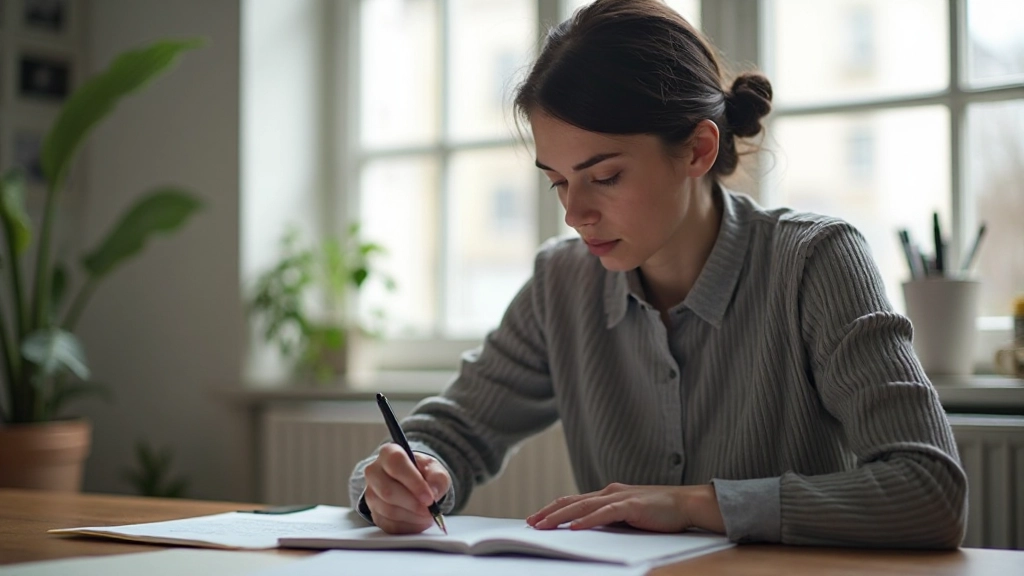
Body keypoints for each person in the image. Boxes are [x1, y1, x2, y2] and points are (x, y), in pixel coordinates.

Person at [349, 0, 967, 548]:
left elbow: (930, 489)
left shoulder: (814, 261)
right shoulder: (560, 282)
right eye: (558, 181)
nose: (574, 212)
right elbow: (448, 432)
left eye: (605, 176)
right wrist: (403, 478)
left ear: (698, 149)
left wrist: (696, 505)